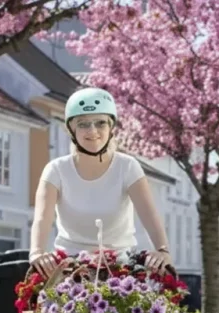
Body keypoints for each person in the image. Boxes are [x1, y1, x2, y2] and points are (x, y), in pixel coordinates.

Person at [29, 87, 171, 277]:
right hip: (70, 267)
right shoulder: (56, 170)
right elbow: (42, 219)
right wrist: (37, 252)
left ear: (111, 128)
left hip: (121, 266)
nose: (92, 130)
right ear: (71, 129)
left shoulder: (127, 166)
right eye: (83, 124)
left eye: (100, 123)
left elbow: (149, 215)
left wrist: (163, 251)